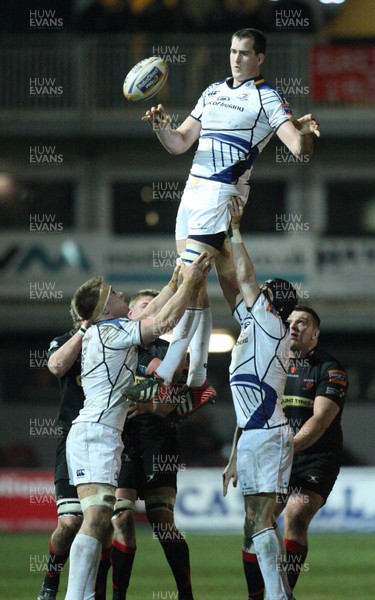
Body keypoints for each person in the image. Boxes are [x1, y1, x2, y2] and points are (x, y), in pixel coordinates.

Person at [135, 27, 320, 404]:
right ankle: (199, 375)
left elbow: (299, 149)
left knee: (187, 280)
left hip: (222, 193)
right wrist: (161, 127)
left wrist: (303, 131)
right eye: (233, 51)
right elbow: (180, 143)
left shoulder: (267, 97)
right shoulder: (211, 92)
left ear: (260, 58)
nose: (236, 58)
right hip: (192, 191)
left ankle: (166, 371)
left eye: (245, 53)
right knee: (195, 284)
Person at [63, 254, 211, 600]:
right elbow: (161, 321)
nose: (122, 296)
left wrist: (177, 282)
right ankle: (75, 596)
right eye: (113, 293)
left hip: (102, 435)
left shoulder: (106, 330)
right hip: (95, 433)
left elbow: (153, 311)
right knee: (98, 520)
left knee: (99, 521)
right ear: (103, 310)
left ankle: (83, 595)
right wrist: (192, 283)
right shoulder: (110, 331)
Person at [220, 196, 298, 600]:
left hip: (267, 432)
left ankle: (276, 596)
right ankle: (280, 592)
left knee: (260, 518)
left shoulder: (271, 324)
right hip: (257, 432)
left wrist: (234, 230)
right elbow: (232, 284)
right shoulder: (257, 324)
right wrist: (214, 248)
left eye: (265, 293)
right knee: (257, 519)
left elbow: (246, 279)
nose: (257, 294)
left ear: (273, 302)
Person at [112, 289, 196, 600]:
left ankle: (185, 593)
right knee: (120, 517)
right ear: (131, 315)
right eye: (146, 306)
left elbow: (179, 398)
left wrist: (151, 407)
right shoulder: (114, 344)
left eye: (156, 306)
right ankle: (118, 595)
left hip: (158, 440)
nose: (153, 310)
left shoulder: (171, 351)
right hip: (119, 441)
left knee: (162, 521)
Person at [268, 306, 347, 594]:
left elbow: (321, 420)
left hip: (316, 456)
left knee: (296, 511)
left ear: (315, 334)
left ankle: (284, 592)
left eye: (302, 323)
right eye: (289, 322)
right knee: (258, 521)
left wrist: (289, 448)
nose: (293, 327)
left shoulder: (330, 369)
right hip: (277, 454)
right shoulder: (271, 363)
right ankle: (261, 591)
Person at [37, 311, 112, 600]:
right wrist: (84, 331)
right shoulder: (66, 340)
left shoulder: (116, 342)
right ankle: (50, 582)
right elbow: (56, 366)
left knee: (105, 524)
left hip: (108, 441)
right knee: (70, 522)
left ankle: (96, 592)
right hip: (73, 438)